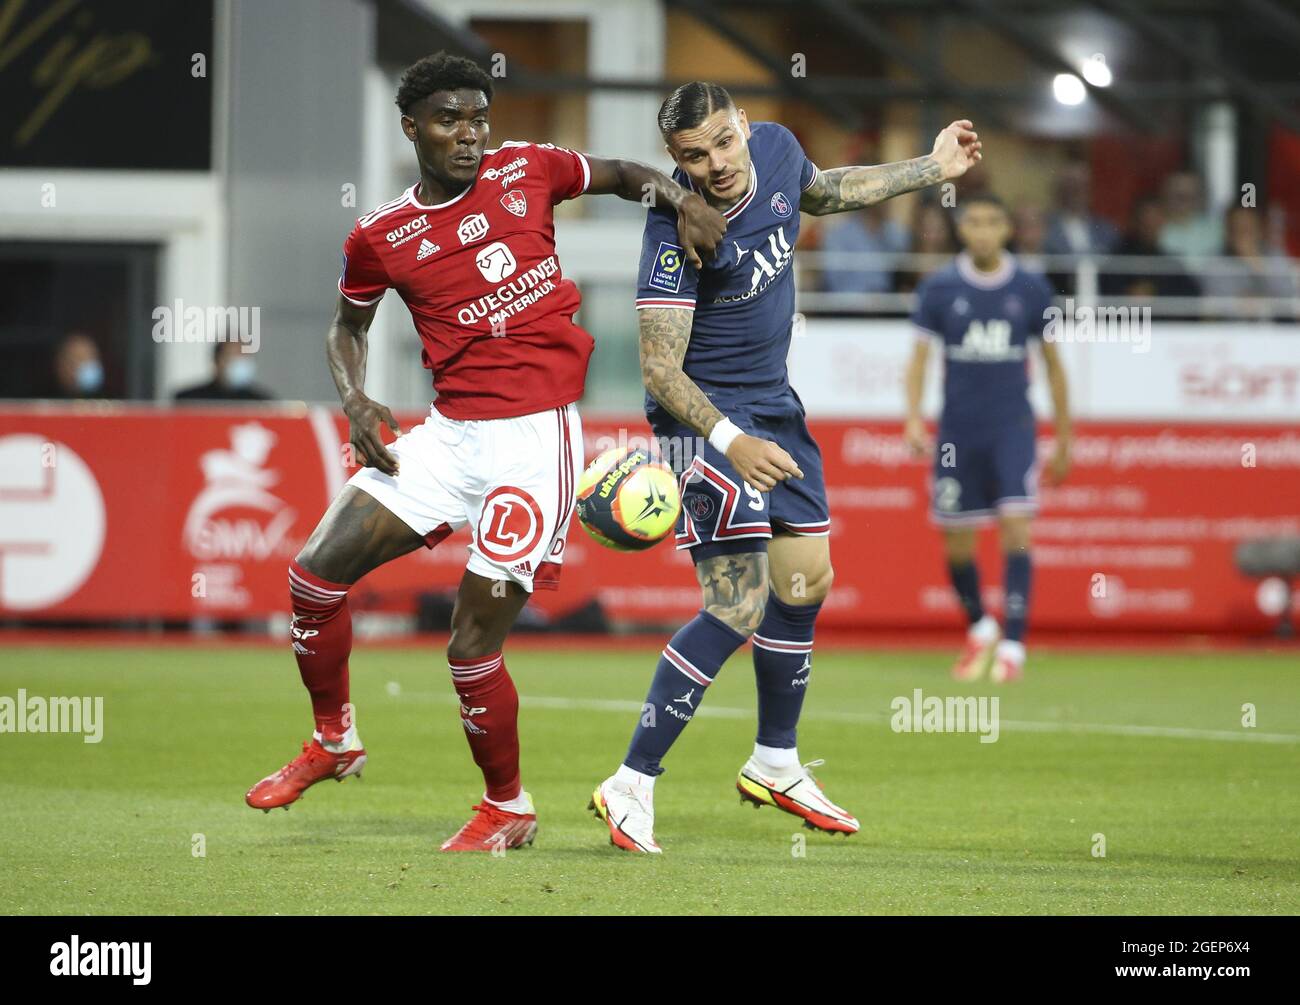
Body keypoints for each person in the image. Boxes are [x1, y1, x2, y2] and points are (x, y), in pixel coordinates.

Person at [243, 52, 724, 852]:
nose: (468, 135)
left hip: (536, 443)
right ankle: (334, 739)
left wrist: (680, 200)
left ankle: (508, 804)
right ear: (411, 129)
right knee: (311, 576)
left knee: (469, 640)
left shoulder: (528, 170)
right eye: (448, 120)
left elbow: (618, 172)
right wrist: (357, 397)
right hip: (448, 437)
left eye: (477, 118)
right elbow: (345, 327)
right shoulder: (381, 236)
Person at [588, 81, 981, 853]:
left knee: (805, 582)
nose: (718, 164)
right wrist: (730, 439)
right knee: (737, 603)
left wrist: (931, 168)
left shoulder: (775, 147)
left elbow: (826, 192)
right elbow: (660, 372)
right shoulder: (675, 231)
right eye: (694, 157)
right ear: (677, 161)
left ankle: (775, 760)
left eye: (724, 142)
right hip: (702, 423)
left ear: (742, 124)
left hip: (775, 406)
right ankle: (631, 781)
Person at [903, 193, 1071, 684]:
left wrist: (1065, 437)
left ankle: (1014, 646)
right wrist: (914, 419)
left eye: (992, 221)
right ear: (962, 229)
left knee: (1017, 531)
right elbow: (918, 362)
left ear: (1005, 229)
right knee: (957, 545)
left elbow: (1055, 368)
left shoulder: (1033, 287)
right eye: (972, 221)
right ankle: (981, 625)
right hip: (957, 432)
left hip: (1012, 428)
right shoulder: (938, 288)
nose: (981, 230)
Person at [819, 203, 908, 299]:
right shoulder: (838, 235)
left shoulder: (894, 233)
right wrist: (864, 297)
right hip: (849, 308)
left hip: (886, 306)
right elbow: (834, 281)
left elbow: (905, 268)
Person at [1043, 160, 1118, 257]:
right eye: (1071, 184)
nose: (1077, 191)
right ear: (1059, 190)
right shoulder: (1044, 227)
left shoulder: (1106, 230)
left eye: (1082, 185)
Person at [174, 339, 271, 401]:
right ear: (217, 362)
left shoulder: (262, 403)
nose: (240, 363)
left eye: (245, 357)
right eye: (234, 357)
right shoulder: (190, 401)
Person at [51, 332, 105, 398]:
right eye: (80, 358)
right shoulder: (45, 404)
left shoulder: (112, 404)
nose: (88, 365)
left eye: (92, 357)